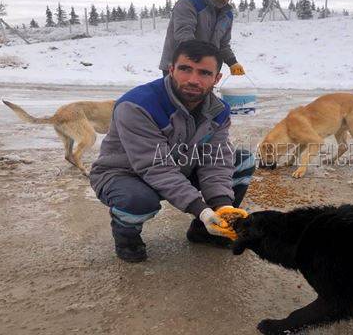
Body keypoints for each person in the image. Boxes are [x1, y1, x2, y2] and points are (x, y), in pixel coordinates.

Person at [90, 40, 255, 262]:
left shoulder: (218, 110)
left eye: (204, 73)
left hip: (179, 167)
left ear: (216, 79)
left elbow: (215, 160)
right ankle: (127, 238)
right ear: (171, 69)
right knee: (137, 200)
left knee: (241, 160)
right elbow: (155, 166)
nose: (193, 80)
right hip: (125, 174)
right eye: (185, 69)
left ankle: (205, 232)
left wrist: (221, 205)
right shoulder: (138, 105)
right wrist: (201, 209)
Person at [159, 0, 245, 77]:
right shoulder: (189, 3)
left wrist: (232, 62)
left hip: (207, 70)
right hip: (180, 67)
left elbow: (223, 44)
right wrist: (203, 59)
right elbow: (184, 35)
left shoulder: (227, 15)